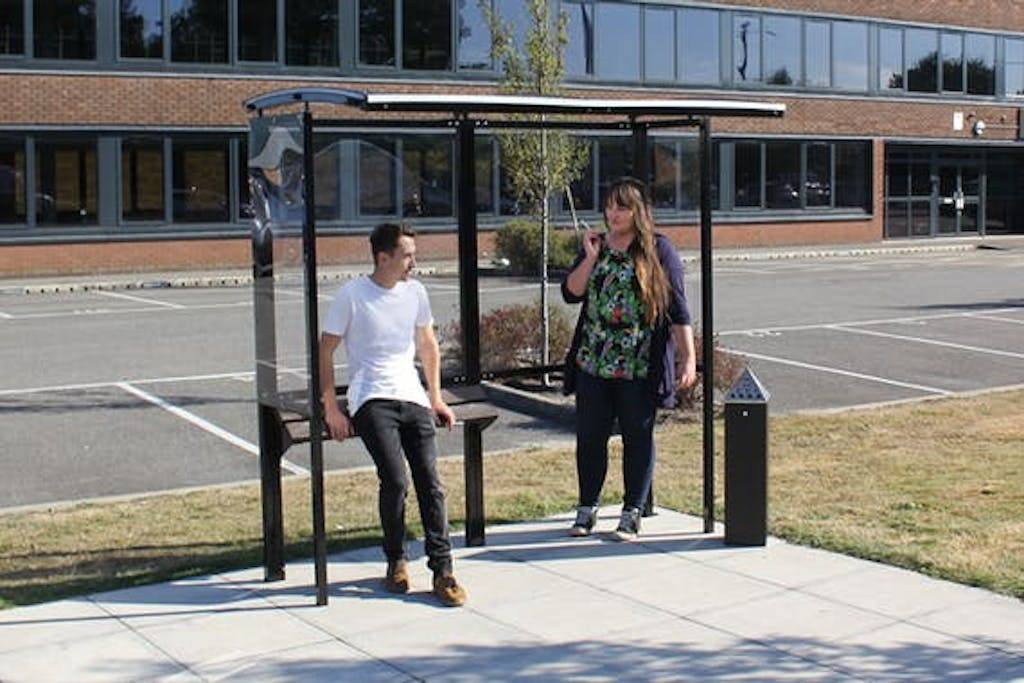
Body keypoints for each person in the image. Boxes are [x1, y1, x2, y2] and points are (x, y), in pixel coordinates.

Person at [319, 222, 467, 607]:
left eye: (413, 255)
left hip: (411, 396)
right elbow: (325, 351)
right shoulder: (352, 295)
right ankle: (396, 560)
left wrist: (435, 398)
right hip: (371, 398)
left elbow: (428, 346)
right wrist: (331, 407)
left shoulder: (415, 293)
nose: (413, 263)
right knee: (396, 480)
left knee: (430, 482)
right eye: (406, 256)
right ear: (382, 258)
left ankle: (443, 570)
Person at [561, 177, 698, 541]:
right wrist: (589, 258)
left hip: (638, 364)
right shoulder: (597, 246)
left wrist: (688, 358)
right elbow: (571, 292)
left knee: (637, 437)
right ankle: (587, 508)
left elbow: (677, 308)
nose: (613, 213)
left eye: (621, 207)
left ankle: (631, 511)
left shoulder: (658, 249)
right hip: (594, 361)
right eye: (609, 205)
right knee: (590, 437)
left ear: (638, 211)